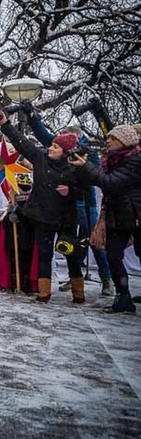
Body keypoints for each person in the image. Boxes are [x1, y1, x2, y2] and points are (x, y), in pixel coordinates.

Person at [0, 110, 87, 303]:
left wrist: (70, 192)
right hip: (42, 216)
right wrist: (5, 124)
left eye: (55, 147)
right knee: (44, 253)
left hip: (66, 218)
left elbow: (85, 192)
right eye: (51, 145)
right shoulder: (40, 158)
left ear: (65, 151)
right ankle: (44, 292)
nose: (50, 148)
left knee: (70, 253)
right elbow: (22, 143)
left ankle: (78, 292)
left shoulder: (76, 167)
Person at [28, 115, 113, 296]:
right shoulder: (52, 154)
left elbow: (92, 181)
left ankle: (105, 279)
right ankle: (55, 287)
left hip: (82, 207)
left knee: (86, 242)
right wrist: (32, 119)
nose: (53, 142)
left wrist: (72, 190)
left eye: (63, 135)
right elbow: (44, 136)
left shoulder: (86, 154)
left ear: (73, 139)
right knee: (63, 248)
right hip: (55, 211)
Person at [69, 125, 140, 313]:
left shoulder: (135, 160)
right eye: (108, 137)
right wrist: (83, 168)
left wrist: (87, 166)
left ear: (124, 141)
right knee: (113, 255)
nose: (108, 141)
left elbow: (112, 183)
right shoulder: (110, 160)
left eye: (113, 138)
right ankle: (123, 296)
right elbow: (99, 179)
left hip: (135, 215)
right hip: (118, 216)